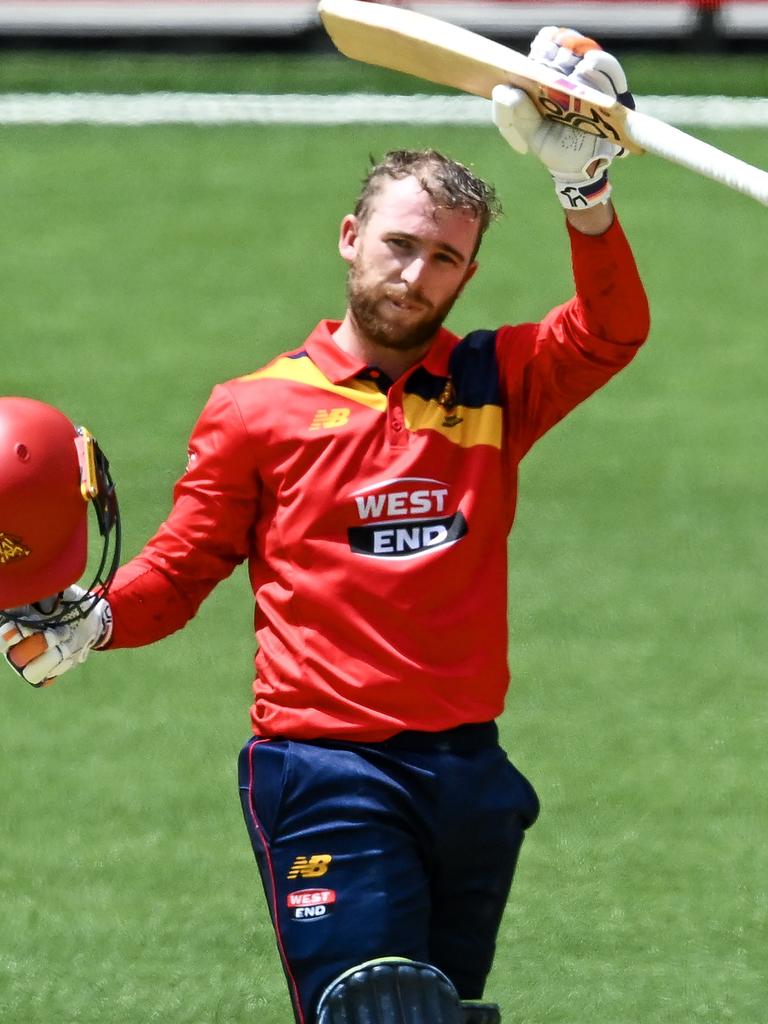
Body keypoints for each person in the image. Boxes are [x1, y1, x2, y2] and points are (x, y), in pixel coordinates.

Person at [1, 27, 650, 1024]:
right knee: (378, 1011)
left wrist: (586, 195)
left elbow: (612, 330)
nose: (416, 273)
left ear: (467, 277)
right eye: (399, 244)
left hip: (467, 771)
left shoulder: (494, 385)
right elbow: (181, 570)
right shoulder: (256, 410)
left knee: (436, 1011)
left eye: (444, 258)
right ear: (351, 237)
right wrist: (96, 618)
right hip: (326, 770)